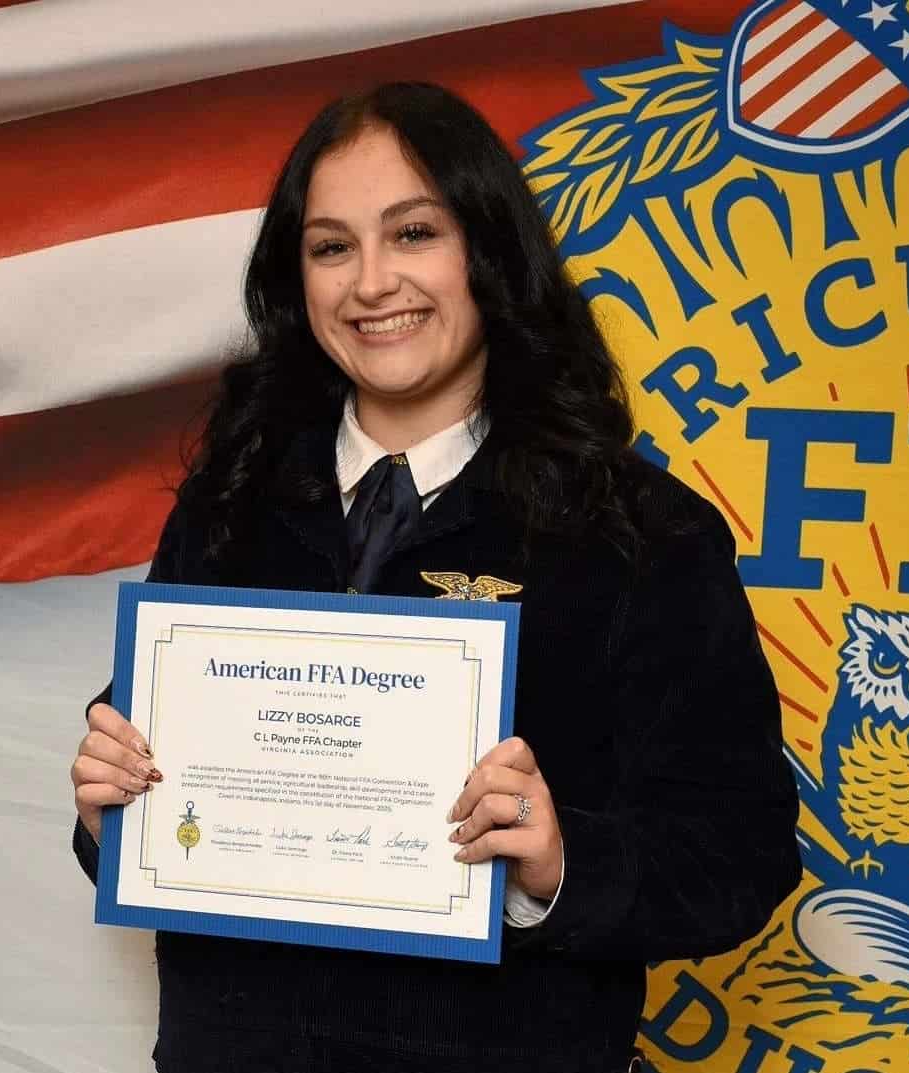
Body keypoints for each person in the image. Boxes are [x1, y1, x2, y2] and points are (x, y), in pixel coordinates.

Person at [69, 82, 802, 1073]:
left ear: (487, 253)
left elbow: (737, 853)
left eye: (411, 233)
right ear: (298, 279)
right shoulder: (233, 496)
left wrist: (553, 862)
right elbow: (152, 789)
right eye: (331, 246)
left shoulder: (638, 533)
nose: (371, 282)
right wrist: (106, 803)